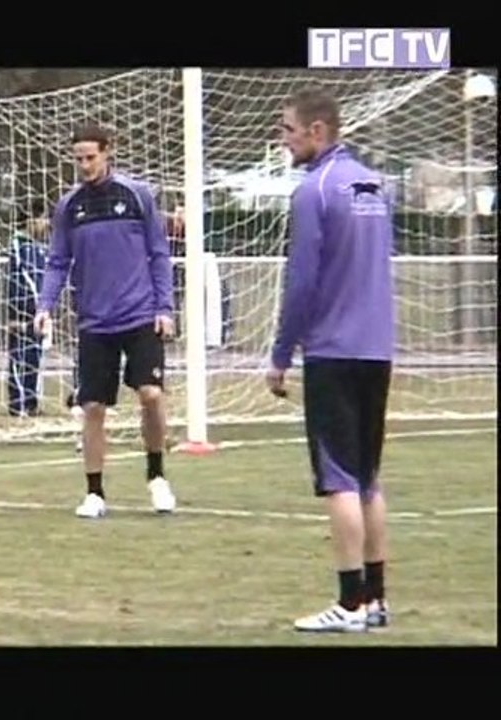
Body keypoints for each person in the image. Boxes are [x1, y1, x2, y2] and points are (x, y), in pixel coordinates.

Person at [268, 86, 394, 632]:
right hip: (377, 348)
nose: (284, 140)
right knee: (368, 479)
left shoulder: (314, 190)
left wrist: (279, 354)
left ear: (317, 132)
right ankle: (377, 598)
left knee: (340, 479)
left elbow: (301, 284)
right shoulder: (373, 184)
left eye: (288, 130)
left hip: (334, 351)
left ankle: (348, 603)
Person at [33, 123, 177, 518]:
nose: (84, 165)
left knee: (150, 393)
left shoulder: (137, 196)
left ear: (107, 152)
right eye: (78, 159)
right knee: (93, 406)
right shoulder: (69, 207)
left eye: (90, 157)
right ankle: (95, 492)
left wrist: (165, 308)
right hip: (95, 322)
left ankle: (156, 476)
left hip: (140, 314)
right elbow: (58, 260)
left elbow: (158, 254)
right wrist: (45, 304)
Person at [6, 199, 49, 417]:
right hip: (22, 312)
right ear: (31, 220)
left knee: (35, 356)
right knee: (20, 355)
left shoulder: (39, 249)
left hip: (38, 313)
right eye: (42, 218)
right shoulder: (17, 246)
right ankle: (18, 402)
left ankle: (31, 401)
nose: (45, 224)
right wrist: (13, 315)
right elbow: (16, 281)